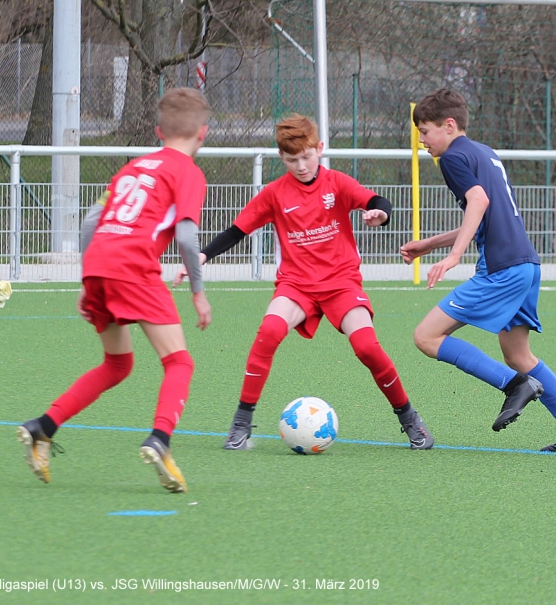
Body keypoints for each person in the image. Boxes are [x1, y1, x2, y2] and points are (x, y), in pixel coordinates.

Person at [177, 114, 433, 450]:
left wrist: (380, 214)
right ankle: (241, 424)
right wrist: (203, 255)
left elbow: (376, 202)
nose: (301, 166)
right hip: (296, 285)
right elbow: (237, 231)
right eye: (291, 159)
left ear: (320, 149)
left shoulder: (337, 183)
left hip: (341, 284)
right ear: (280, 157)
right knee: (269, 332)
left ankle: (410, 419)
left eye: (307, 157)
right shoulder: (274, 194)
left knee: (367, 348)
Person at [17, 87, 212, 493]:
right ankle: (159, 439)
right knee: (179, 362)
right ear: (203, 133)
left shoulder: (132, 168)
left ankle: (43, 427)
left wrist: (88, 279)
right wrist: (198, 292)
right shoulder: (188, 173)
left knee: (117, 365)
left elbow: (92, 222)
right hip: (134, 268)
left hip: (99, 266)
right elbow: (187, 237)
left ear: (158, 131)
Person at [402, 88, 556, 452]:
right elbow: (483, 214)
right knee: (519, 356)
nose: (422, 140)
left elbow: (478, 201)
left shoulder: (452, 158)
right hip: (526, 265)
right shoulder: (485, 153)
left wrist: (454, 256)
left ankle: (514, 385)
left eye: (425, 132)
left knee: (426, 337)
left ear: (449, 125)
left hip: (502, 270)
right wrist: (430, 244)